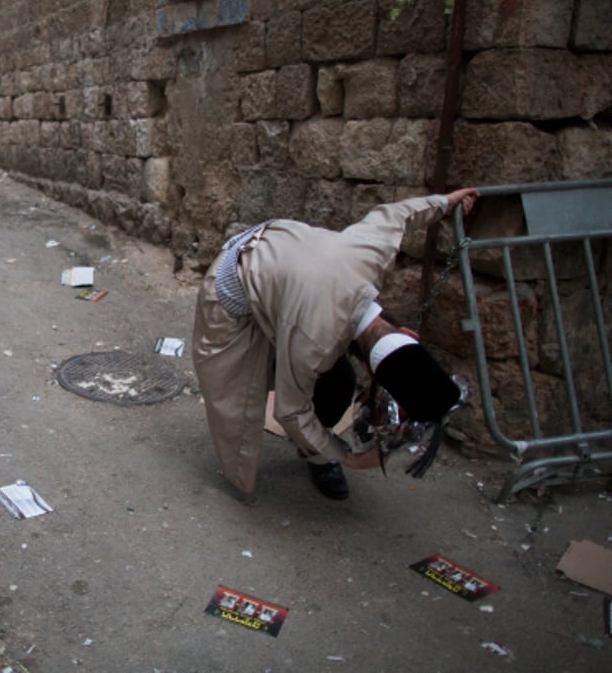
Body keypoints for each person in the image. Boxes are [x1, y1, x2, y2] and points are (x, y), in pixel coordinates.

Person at [192, 188, 480, 501]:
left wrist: (443, 202)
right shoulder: (314, 340)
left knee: (339, 381)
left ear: (407, 334)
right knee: (236, 400)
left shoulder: (372, 255)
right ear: (407, 333)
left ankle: (313, 452)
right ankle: (254, 474)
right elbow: (290, 411)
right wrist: (346, 457)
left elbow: (398, 214)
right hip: (235, 293)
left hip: (290, 285)